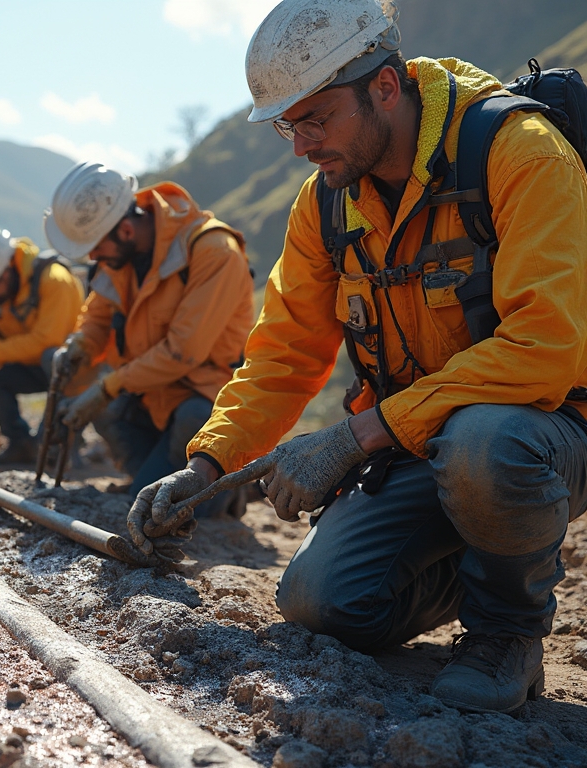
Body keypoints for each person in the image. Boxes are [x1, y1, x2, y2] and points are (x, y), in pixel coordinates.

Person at [133, 0, 587, 715]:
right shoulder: (325, 204)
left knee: (484, 442)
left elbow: (543, 352)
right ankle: (484, 559)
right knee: (320, 604)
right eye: (290, 124)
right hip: (418, 442)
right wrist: (206, 464)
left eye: (314, 119)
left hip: (543, 432)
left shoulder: (521, 152)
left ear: (384, 86)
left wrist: (357, 436)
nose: (300, 146)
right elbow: (283, 353)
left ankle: (508, 632)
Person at [44, 163, 255, 510]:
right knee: (138, 478)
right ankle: (152, 478)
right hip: (151, 396)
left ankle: (221, 492)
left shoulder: (214, 251)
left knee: (155, 494)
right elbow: (97, 317)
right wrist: (79, 344)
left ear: (125, 230)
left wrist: (107, 387)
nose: (94, 258)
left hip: (202, 401)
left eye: (95, 248)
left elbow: (181, 352)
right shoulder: (120, 257)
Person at [0, 225, 84, 464]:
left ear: (7, 269)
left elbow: (47, 340)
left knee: (53, 358)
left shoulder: (54, 280)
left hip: (75, 373)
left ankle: (55, 444)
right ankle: (20, 443)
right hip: (33, 367)